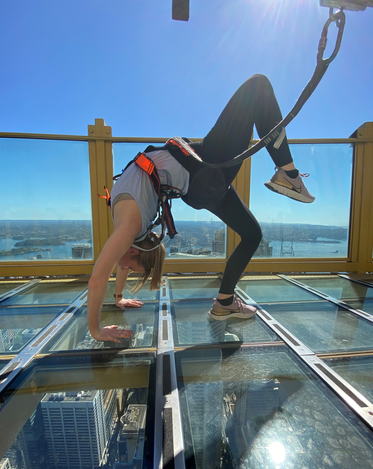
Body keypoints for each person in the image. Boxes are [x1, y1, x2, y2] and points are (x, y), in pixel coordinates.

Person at [87, 74, 314, 343]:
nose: (122, 267)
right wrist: (108, 313)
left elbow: (101, 276)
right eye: (132, 268)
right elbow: (115, 266)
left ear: (133, 250)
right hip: (203, 177)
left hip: (203, 178)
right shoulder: (127, 225)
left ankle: (225, 302)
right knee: (257, 87)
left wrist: (106, 316)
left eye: (132, 268)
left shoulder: (129, 228)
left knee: (252, 234)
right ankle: (288, 172)